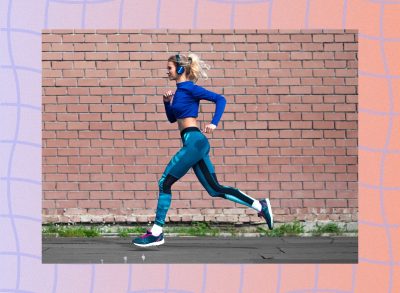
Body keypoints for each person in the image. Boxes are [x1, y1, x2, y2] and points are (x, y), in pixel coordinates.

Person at [132, 53, 273, 247]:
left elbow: (220, 99)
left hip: (195, 141)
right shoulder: (179, 92)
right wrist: (166, 103)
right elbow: (173, 119)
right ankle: (260, 205)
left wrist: (214, 123)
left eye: (170, 68)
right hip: (192, 142)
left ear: (180, 70)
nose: (167, 71)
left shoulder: (190, 89)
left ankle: (157, 231)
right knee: (214, 189)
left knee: (165, 182)